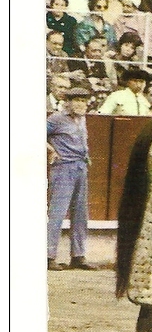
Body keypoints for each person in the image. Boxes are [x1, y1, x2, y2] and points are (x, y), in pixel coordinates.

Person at [47, 88, 95, 271]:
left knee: (81, 213)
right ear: (67, 102)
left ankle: (78, 256)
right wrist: (52, 150)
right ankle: (48, 256)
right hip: (64, 167)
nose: (80, 104)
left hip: (80, 167)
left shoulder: (82, 119)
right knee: (57, 212)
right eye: (76, 100)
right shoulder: (56, 119)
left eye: (83, 100)